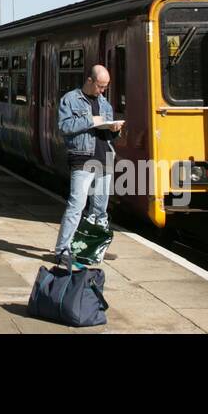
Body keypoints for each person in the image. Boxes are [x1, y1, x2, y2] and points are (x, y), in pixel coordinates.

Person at [54, 64, 124, 268]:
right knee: (76, 206)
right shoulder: (70, 99)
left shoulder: (105, 103)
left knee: (100, 210)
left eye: (105, 87)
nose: (102, 91)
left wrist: (115, 128)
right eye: (100, 86)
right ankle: (62, 251)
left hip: (104, 159)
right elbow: (64, 127)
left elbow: (108, 134)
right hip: (82, 160)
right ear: (90, 80)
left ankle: (95, 248)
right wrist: (90, 120)